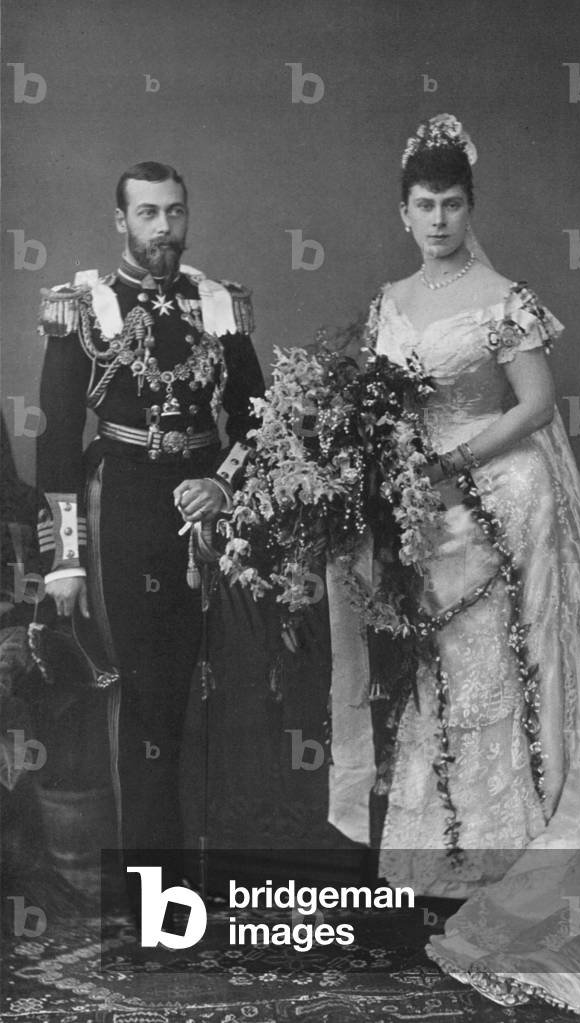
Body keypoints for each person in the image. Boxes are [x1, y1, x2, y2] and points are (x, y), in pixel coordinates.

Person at [329, 115, 580, 1015]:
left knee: (508, 672)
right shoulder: (386, 302)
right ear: (403, 209)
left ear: (469, 207)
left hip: (508, 498)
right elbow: (382, 412)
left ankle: (515, 853)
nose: (439, 218)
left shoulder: (505, 296)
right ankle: (445, 858)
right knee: (441, 676)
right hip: (431, 517)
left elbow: (535, 406)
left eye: (453, 203)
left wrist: (455, 462)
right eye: (424, 204)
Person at [36, 162, 264, 883]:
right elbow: (57, 441)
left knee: (203, 690)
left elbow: (258, 422)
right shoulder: (85, 306)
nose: (162, 228)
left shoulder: (217, 302)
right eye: (146, 214)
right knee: (137, 696)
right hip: (122, 511)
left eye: (174, 212)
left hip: (202, 514)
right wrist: (66, 560)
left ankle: (202, 872)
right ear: (120, 221)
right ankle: (150, 889)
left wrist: (222, 488)